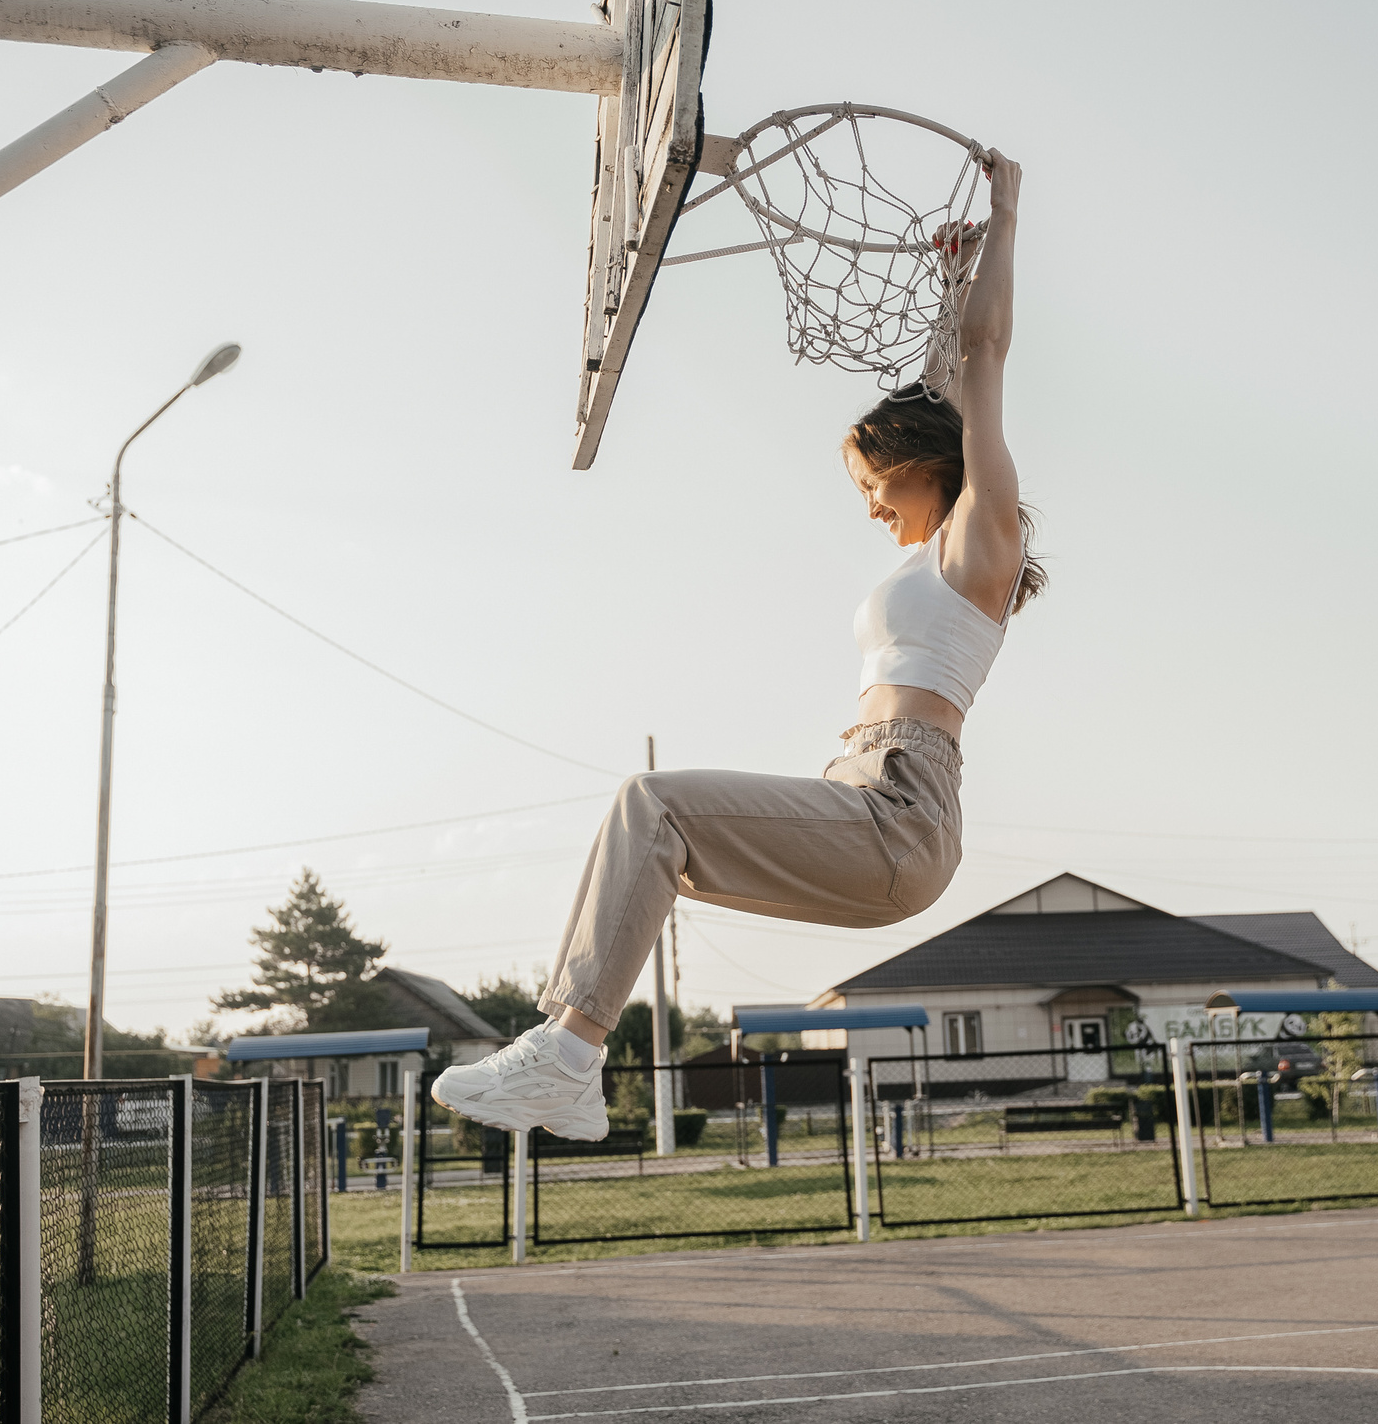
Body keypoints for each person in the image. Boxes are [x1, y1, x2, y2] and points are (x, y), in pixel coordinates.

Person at [433, 153, 1044, 1139]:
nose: (867, 504)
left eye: (870, 484)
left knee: (653, 800)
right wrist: (944, 280)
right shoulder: (937, 546)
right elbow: (948, 373)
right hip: (858, 797)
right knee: (657, 839)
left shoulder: (984, 543)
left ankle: (567, 1052)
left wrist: (1008, 212)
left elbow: (982, 362)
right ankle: (571, 1061)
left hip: (901, 813)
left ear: (922, 464)